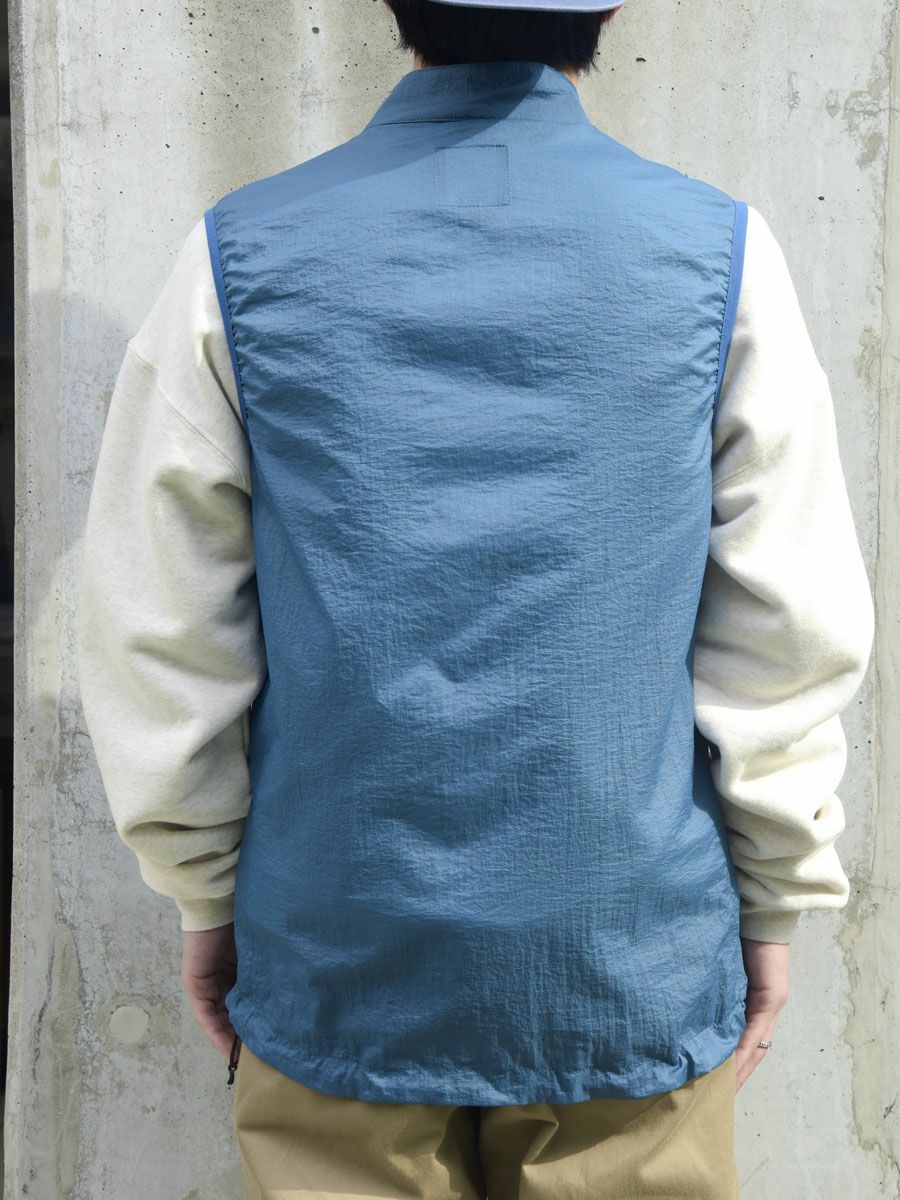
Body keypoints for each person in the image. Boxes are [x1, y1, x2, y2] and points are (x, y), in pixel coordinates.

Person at [76, 1, 876, 1196]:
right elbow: (787, 629)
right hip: (626, 956)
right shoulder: (721, 255)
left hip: (340, 951)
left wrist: (199, 889)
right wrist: (777, 895)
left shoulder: (236, 255)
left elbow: (163, 631)